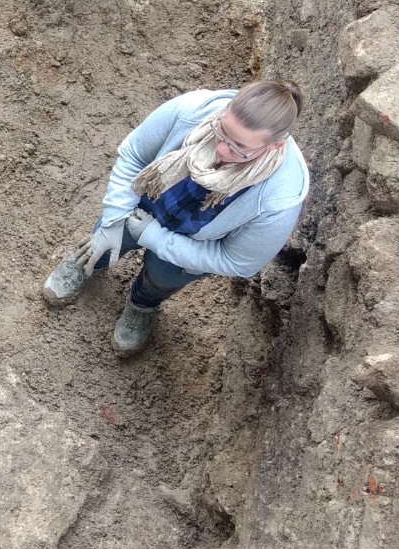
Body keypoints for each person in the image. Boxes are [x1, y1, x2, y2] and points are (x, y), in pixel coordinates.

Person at [41, 81, 310, 357]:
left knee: (162, 275)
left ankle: (142, 303)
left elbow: (237, 261)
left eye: (238, 147)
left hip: (190, 247)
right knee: (107, 238)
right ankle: (86, 263)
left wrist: (156, 239)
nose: (221, 149)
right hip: (140, 208)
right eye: (222, 132)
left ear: (273, 145)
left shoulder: (279, 199)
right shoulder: (192, 111)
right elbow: (134, 154)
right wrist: (113, 219)